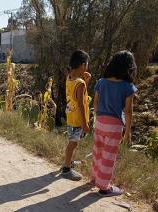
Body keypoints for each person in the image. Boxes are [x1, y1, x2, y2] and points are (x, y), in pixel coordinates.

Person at [92, 51, 137, 197]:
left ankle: (95, 178)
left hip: (99, 122)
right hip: (115, 125)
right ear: (130, 67)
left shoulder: (101, 82)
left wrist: (98, 117)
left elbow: (95, 102)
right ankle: (104, 188)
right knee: (108, 156)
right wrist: (128, 132)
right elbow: (128, 111)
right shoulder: (128, 86)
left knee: (98, 152)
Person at [61, 50, 91, 181]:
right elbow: (82, 104)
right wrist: (85, 124)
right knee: (72, 144)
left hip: (70, 117)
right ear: (83, 65)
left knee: (72, 142)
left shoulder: (70, 78)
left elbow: (78, 96)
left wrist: (86, 81)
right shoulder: (80, 83)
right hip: (78, 120)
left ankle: (68, 162)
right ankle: (66, 169)